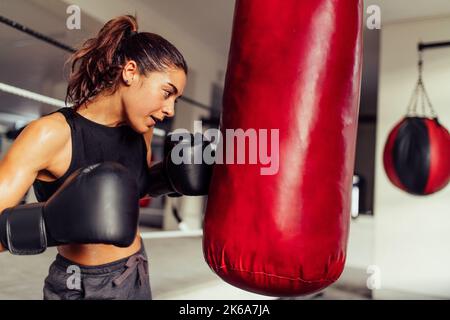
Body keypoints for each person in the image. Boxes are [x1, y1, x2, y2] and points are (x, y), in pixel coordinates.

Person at [0, 15, 187, 300]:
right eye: (166, 92)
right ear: (130, 72)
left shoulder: (141, 132)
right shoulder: (51, 134)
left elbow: (121, 197)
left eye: (176, 99)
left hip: (136, 268)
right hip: (83, 286)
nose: (170, 110)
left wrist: (169, 178)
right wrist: (50, 224)